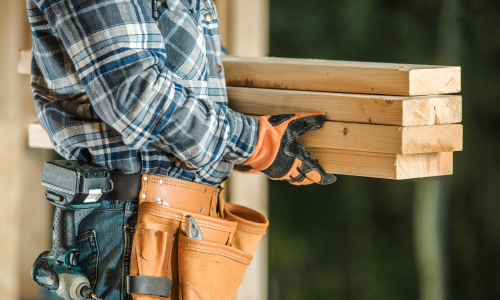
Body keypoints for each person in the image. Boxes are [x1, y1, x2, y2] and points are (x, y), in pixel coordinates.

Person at [26, 0, 336, 299]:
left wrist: (231, 147)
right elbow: (134, 92)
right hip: (132, 224)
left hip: (176, 223)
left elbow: (195, 81)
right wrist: (252, 143)